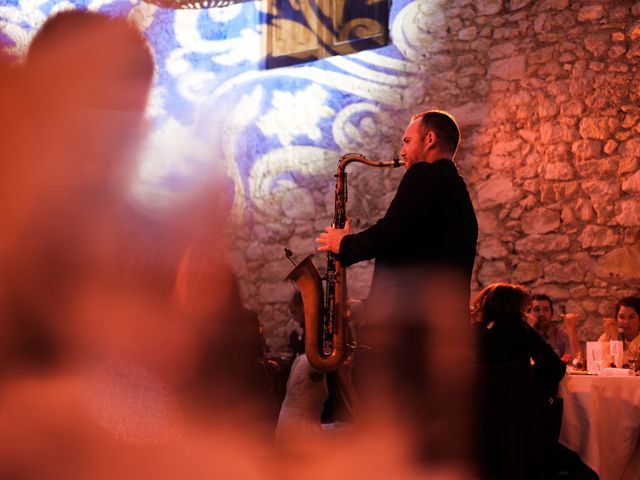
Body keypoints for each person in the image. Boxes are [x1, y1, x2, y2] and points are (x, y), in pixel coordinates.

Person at [315, 109, 478, 295]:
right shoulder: (457, 187)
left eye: (407, 141)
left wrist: (344, 244)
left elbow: (390, 233)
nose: (402, 152)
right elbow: (416, 250)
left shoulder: (424, 173)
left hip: (411, 318)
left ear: (429, 139)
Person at [471, 283, 566, 479]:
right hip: (517, 418)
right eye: (525, 308)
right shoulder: (519, 330)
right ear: (514, 307)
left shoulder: (474, 332)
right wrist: (529, 382)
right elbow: (555, 367)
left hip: (478, 419)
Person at [526, 293, 576, 361]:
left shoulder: (561, 335)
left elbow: (575, 361)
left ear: (551, 314)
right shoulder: (522, 334)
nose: (541, 314)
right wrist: (528, 328)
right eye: (537, 309)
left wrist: (572, 330)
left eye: (546, 309)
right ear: (529, 313)